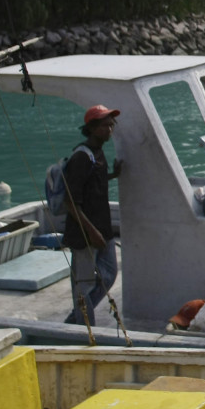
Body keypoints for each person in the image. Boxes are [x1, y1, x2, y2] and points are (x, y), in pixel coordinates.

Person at [61, 105, 122, 326]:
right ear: (92, 128)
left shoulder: (98, 152)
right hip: (85, 233)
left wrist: (113, 174)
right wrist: (92, 232)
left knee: (109, 275)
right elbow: (70, 201)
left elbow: (93, 183)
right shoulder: (81, 157)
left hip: (102, 229)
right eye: (105, 125)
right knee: (84, 284)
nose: (110, 130)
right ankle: (85, 327)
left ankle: (75, 320)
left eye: (111, 125)